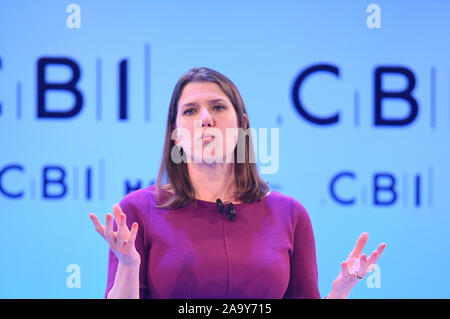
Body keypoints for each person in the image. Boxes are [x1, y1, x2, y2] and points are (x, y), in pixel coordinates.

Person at [89, 67, 386, 299]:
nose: (206, 119)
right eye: (190, 111)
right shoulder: (138, 212)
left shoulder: (291, 215)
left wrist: (342, 290)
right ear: (175, 135)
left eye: (218, 107)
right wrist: (128, 266)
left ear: (242, 124)